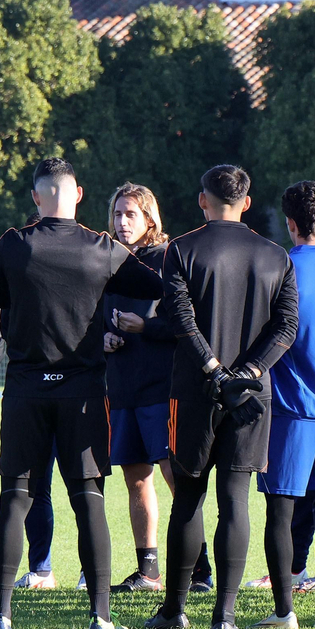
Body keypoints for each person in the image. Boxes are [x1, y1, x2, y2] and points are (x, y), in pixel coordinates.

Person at [0, 158, 163, 629]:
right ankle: (100, 616)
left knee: (15, 498)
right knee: (88, 499)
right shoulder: (101, 248)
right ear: (78, 194)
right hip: (82, 393)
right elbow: (154, 283)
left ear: (37, 197)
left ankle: (0, 616)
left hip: (24, 392)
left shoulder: (13, 244)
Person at [145, 164, 297, 629]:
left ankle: (174, 610)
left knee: (188, 496)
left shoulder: (181, 250)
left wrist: (213, 370)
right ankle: (225, 617)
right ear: (247, 202)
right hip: (251, 396)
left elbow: (179, 319)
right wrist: (247, 373)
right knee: (235, 499)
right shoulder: (276, 256)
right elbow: (287, 327)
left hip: (195, 389)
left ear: (202, 200)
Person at [245, 182, 315, 629]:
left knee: (282, 507)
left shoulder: (282, 267)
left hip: (292, 410)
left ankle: (284, 612)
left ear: (291, 224)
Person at [101, 183, 177, 593]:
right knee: (135, 479)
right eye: (117, 214)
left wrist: (146, 326)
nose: (122, 222)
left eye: (130, 214)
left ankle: (197, 569)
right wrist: (103, 339)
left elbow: (187, 324)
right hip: (122, 388)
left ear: (150, 217)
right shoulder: (108, 261)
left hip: (160, 388)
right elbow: (93, 317)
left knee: (173, 476)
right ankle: (149, 571)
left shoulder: (167, 259)